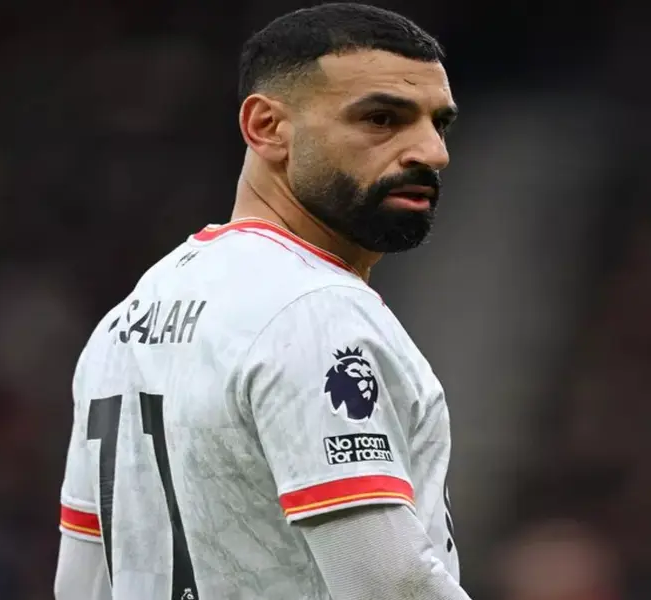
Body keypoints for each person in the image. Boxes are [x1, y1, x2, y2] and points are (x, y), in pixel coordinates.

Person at [52, 3, 468, 599]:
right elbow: (389, 584)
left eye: (438, 124)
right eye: (381, 119)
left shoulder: (126, 322)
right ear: (268, 127)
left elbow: (81, 585)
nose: (432, 152)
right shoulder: (316, 310)